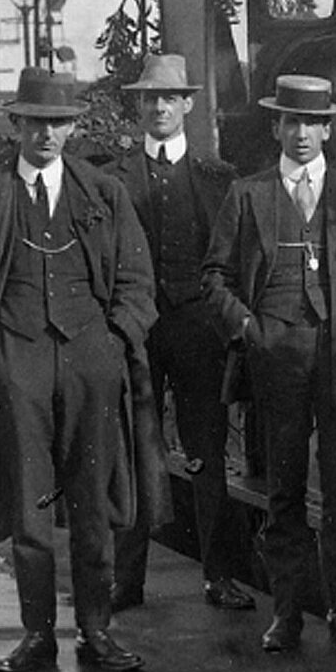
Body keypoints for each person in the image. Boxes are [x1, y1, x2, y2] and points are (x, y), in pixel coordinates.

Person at [0, 68, 157, 672]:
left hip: (91, 362)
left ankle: (96, 630)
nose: (47, 135)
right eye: (36, 122)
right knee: (30, 509)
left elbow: (139, 285)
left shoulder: (104, 195)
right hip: (18, 365)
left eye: (58, 123)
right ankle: (38, 635)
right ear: (16, 126)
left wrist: (112, 342)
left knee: (93, 503)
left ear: (73, 128)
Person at [204, 75, 336, 652]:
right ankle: (286, 614)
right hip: (276, 360)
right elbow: (213, 277)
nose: (302, 133)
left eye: (313, 123)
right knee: (284, 492)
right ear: (276, 128)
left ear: (329, 130)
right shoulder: (248, 193)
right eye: (292, 122)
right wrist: (245, 326)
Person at [103, 52, 249, 611]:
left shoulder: (216, 178)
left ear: (188, 104)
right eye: (148, 98)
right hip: (137, 332)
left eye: (169, 98)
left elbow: (230, 257)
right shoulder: (114, 178)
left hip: (197, 331)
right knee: (137, 451)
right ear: (138, 106)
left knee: (207, 452)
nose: (158, 107)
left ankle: (221, 576)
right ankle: (127, 579)